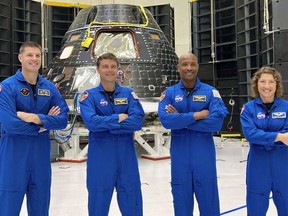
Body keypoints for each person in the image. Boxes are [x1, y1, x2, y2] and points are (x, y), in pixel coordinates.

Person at [0, 41, 69, 215]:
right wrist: (44, 125)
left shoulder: (50, 88)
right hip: (14, 155)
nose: (34, 59)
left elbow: (62, 120)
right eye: (30, 55)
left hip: (40, 157)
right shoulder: (7, 87)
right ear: (20, 58)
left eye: (38, 55)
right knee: (8, 207)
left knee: (40, 206)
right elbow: (10, 124)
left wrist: (36, 118)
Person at [158, 52, 228, 216]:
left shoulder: (211, 93)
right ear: (178, 68)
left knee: (209, 201)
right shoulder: (169, 94)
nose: (188, 68)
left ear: (197, 67)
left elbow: (216, 123)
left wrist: (181, 121)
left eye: (192, 64)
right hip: (180, 158)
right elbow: (166, 121)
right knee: (181, 202)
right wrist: (196, 115)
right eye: (184, 64)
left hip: (204, 156)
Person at [79, 52, 145, 216]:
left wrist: (108, 124)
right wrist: (118, 118)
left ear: (118, 70)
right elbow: (92, 123)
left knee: (132, 200)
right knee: (98, 204)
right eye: (105, 67)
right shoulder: (88, 96)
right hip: (100, 158)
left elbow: (137, 122)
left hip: (126, 157)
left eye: (113, 66)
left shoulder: (129, 94)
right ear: (98, 70)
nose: (109, 70)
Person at [240, 66, 288, 215]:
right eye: (263, 81)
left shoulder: (286, 107)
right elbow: (251, 134)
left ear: (277, 84)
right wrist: (279, 137)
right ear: (256, 84)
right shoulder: (248, 109)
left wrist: (264, 137)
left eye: (271, 82)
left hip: (283, 163)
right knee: (256, 207)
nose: (267, 86)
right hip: (258, 164)